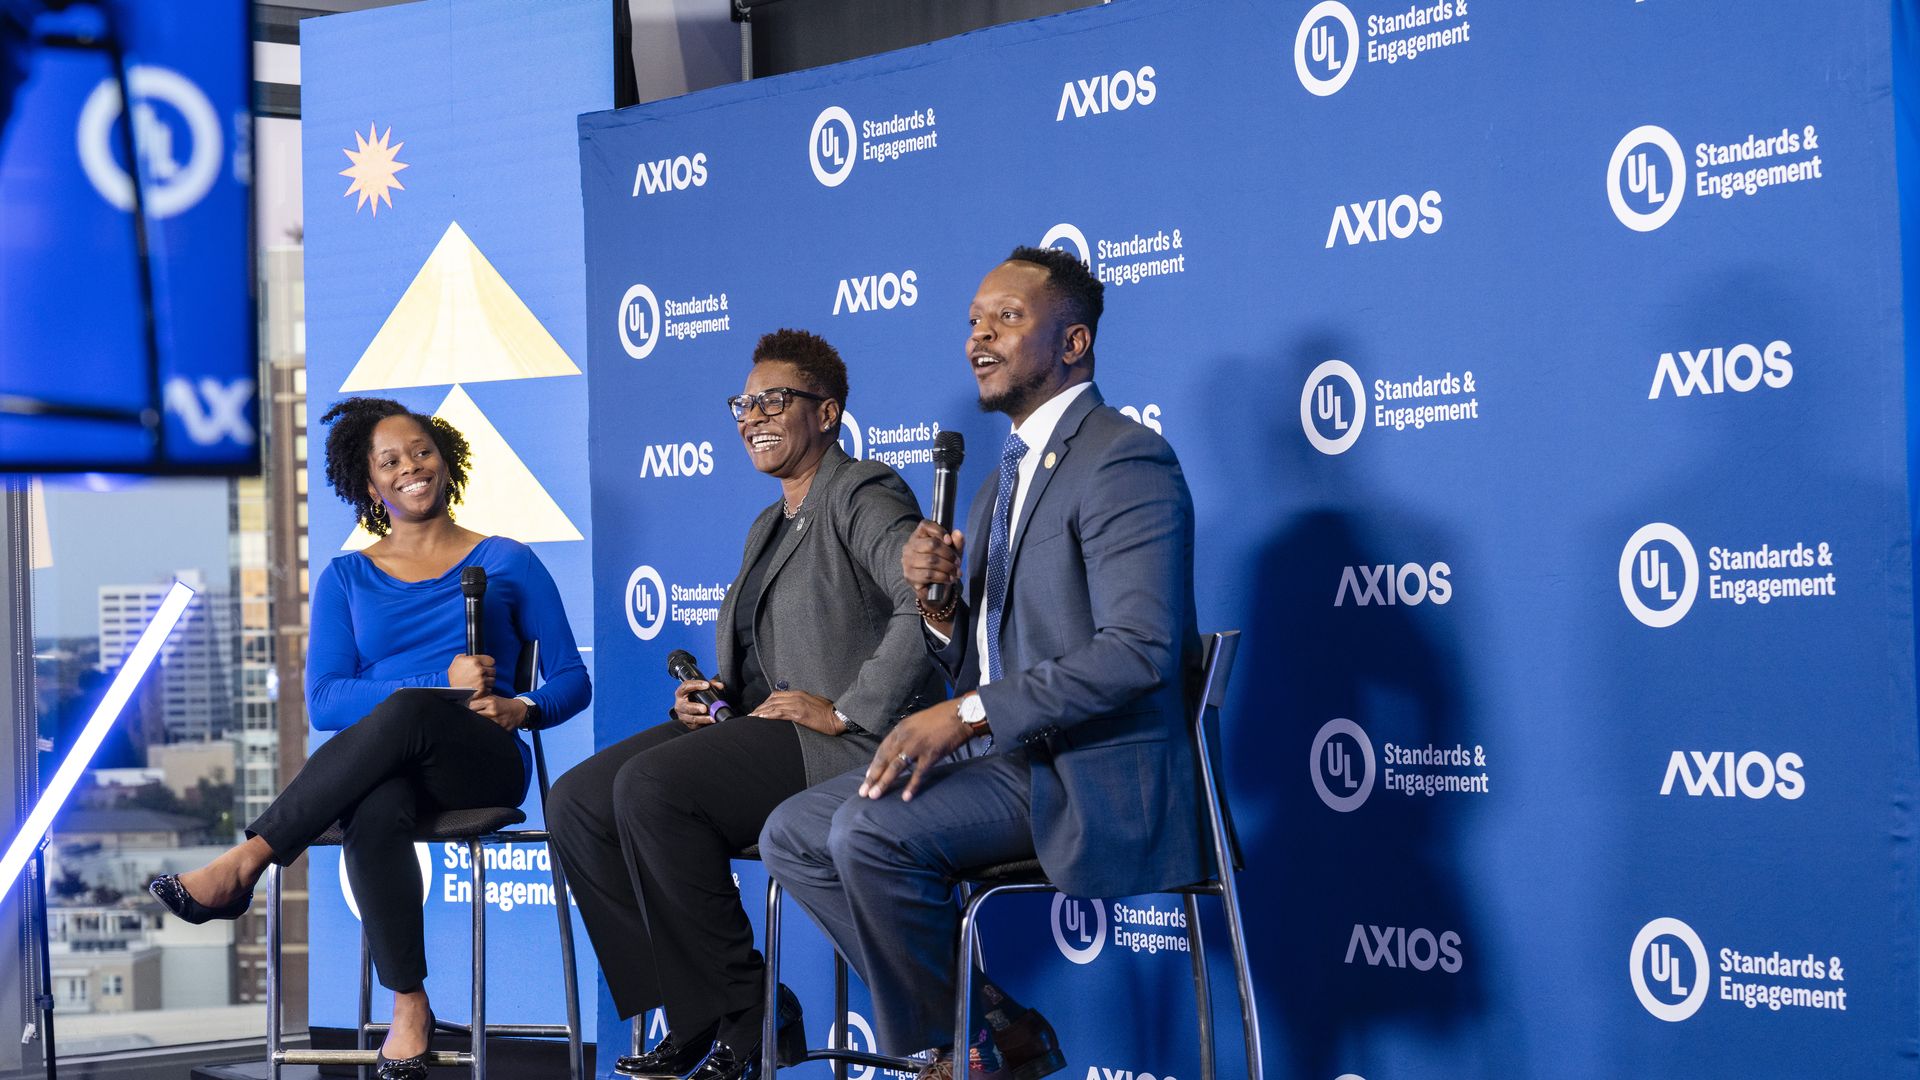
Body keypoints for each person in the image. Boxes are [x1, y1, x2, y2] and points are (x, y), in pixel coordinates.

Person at [758, 247, 1204, 1080]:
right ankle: (989, 1028)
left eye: (1006, 318)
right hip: (1010, 758)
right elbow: (980, 655)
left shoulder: (1123, 459)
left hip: (1087, 769)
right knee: (794, 829)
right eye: (972, 322)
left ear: (1073, 344)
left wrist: (968, 714)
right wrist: (937, 606)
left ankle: (956, 1052)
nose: (978, 338)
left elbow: (1140, 651)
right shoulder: (1001, 483)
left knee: (866, 830)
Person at [149, 397, 590, 1080]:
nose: (411, 467)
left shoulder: (507, 560)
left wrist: (520, 708)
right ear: (369, 486)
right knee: (375, 803)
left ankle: (250, 859)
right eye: (390, 461)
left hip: (480, 760)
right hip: (386, 767)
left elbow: (571, 680)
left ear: (445, 459)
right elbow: (326, 700)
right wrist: (433, 679)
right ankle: (409, 1003)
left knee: (410, 718)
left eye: (421, 451)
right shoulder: (347, 577)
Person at [545, 329, 943, 1080]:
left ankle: (750, 1009)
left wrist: (850, 710)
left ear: (826, 413)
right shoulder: (769, 522)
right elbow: (768, 661)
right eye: (744, 401)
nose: (752, 414)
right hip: (761, 732)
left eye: (774, 399)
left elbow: (923, 603)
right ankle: (695, 1007)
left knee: (654, 787)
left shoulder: (861, 491)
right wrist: (716, 696)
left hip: (847, 747)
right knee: (578, 801)